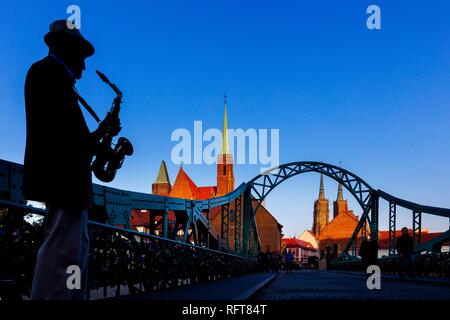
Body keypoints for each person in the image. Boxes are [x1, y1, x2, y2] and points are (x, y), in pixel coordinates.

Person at [24, 20, 119, 300]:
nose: (85, 66)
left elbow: (72, 138)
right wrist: (102, 135)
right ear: (64, 47)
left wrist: (102, 135)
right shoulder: (47, 74)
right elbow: (66, 139)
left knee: (76, 254)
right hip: (63, 180)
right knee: (61, 254)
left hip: (71, 183)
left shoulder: (55, 78)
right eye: (81, 55)